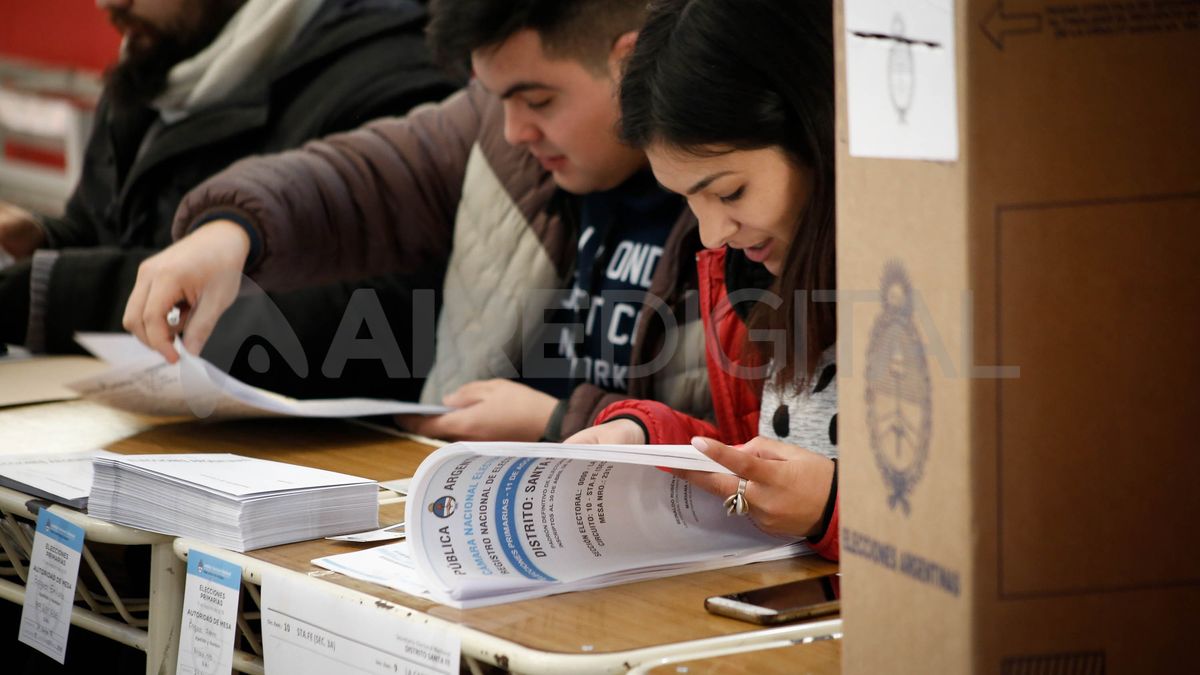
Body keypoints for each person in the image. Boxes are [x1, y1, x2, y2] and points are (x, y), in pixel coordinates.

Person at [118, 0, 715, 441]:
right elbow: (365, 176)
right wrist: (229, 232)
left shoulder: (741, 197)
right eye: (496, 97)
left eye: (538, 102)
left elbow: (767, 453)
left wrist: (558, 423)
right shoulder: (497, 134)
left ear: (628, 62)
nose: (513, 131)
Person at [0, 0, 460, 400]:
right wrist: (41, 242)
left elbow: (370, 323)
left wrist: (53, 292)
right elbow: (111, 229)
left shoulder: (391, 73)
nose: (109, 3)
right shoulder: (161, 59)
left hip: (307, 464)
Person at [566, 0, 840, 560]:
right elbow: (767, 458)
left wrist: (836, 509)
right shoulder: (753, 282)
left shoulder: (940, 278)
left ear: (818, 134)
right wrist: (652, 440)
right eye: (689, 201)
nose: (712, 233)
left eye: (730, 192)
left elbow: (991, 520)